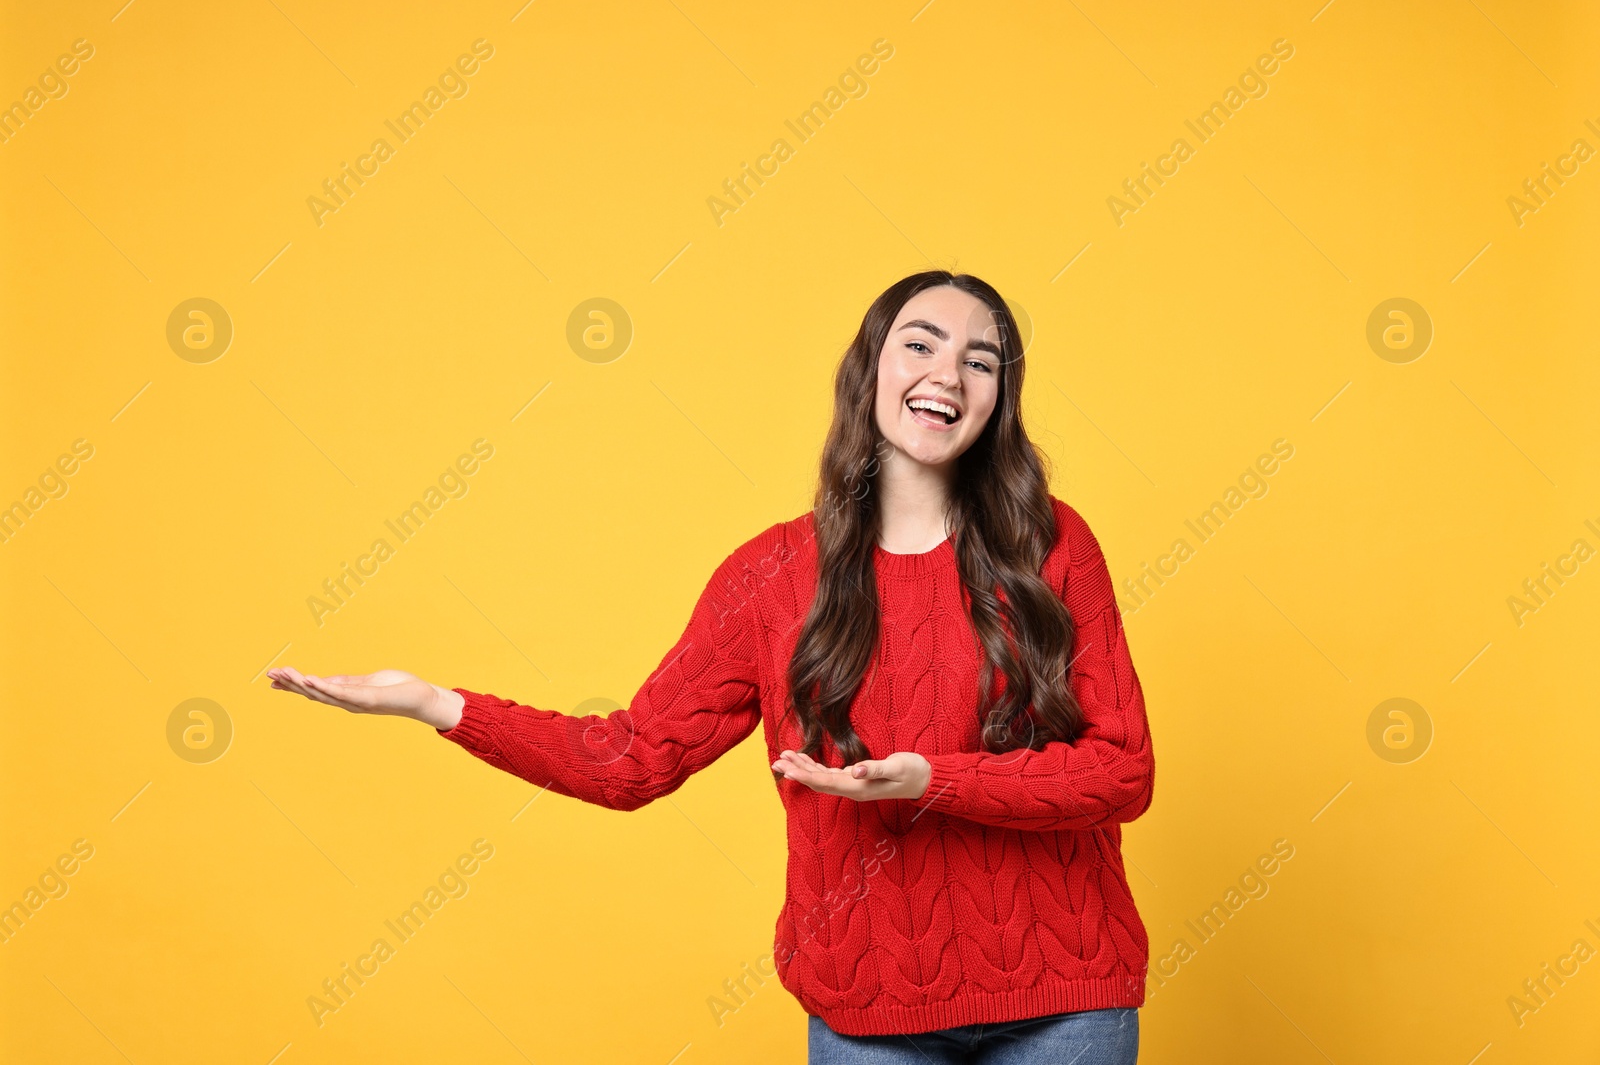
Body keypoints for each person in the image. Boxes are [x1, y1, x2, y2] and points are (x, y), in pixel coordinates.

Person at [270, 270, 1154, 1064]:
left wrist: (931, 780)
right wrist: (438, 703)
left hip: (1064, 999)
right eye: (919, 343)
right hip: (865, 1006)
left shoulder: (1053, 545)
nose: (947, 375)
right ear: (869, 370)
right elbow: (632, 759)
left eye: (982, 361)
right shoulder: (768, 578)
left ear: (1000, 397)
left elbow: (1123, 770)